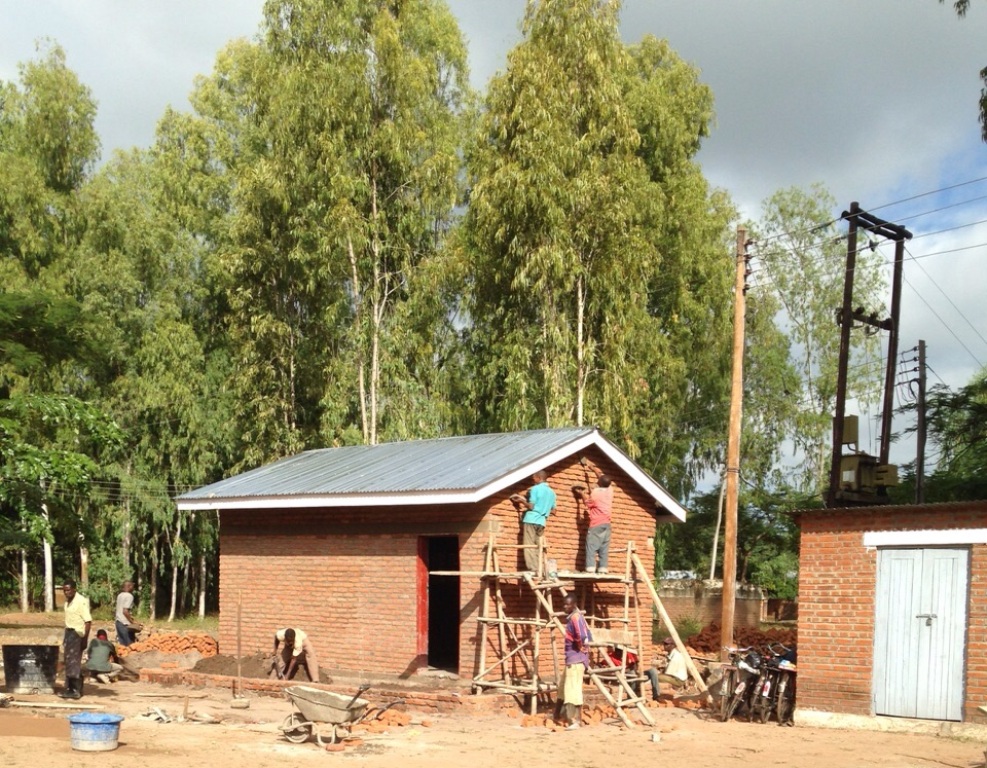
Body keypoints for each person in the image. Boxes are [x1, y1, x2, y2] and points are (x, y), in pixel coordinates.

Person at [574, 457, 614, 574]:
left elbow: (587, 503)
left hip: (596, 524)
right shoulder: (610, 490)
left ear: (599, 483)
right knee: (603, 548)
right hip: (607, 525)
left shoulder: (596, 493)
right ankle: (603, 569)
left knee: (591, 546)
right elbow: (601, 476)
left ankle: (590, 569)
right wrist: (592, 468)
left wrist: (581, 494)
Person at [511, 470, 556, 573]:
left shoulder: (535, 489)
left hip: (531, 519)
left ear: (539, 478)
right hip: (542, 522)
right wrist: (544, 508)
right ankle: (540, 567)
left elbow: (531, 506)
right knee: (538, 545)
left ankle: (533, 568)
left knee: (529, 545)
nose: (533, 480)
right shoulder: (552, 493)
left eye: (534, 478)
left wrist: (522, 500)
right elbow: (554, 511)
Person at [560, 594, 591, 730]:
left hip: (576, 659)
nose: (565, 607)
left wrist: (581, 649)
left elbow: (583, 637)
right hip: (572, 658)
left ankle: (575, 721)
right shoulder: (575, 617)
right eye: (564, 604)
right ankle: (558, 715)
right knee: (563, 688)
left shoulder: (575, 617)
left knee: (572, 690)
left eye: (567, 604)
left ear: (574, 605)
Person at [59, 579, 91, 700]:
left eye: (68, 590)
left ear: (74, 589)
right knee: (69, 661)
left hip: (77, 634)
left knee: (74, 662)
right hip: (69, 633)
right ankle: (71, 688)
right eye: (64, 590)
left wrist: (84, 639)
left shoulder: (80, 601)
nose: (66, 592)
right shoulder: (68, 602)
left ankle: (75, 690)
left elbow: (88, 621)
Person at [115, 580, 138, 646]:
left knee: (122, 645)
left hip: (118, 622)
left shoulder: (120, 595)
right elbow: (125, 611)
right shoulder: (129, 596)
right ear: (129, 586)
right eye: (133, 586)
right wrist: (132, 622)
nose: (133, 588)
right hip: (125, 624)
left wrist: (131, 617)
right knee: (130, 645)